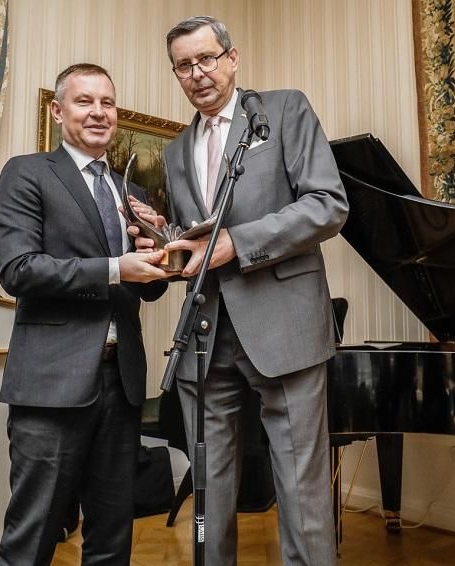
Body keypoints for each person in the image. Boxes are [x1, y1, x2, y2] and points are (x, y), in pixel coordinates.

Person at [139, 16, 349, 566]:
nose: (197, 73)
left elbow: (328, 205)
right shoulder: (175, 151)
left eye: (207, 58)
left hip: (285, 327)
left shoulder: (283, 111)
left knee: (301, 490)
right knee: (208, 491)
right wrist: (164, 239)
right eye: (183, 65)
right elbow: (199, 237)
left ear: (232, 59)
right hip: (205, 335)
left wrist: (240, 242)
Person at [0, 63, 169, 566]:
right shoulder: (27, 172)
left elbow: (149, 289)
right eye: (84, 101)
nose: (98, 112)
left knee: (112, 539)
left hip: (122, 383)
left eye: (107, 103)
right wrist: (115, 267)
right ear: (58, 110)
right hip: (51, 384)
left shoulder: (131, 193)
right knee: (32, 539)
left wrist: (158, 249)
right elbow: (19, 269)